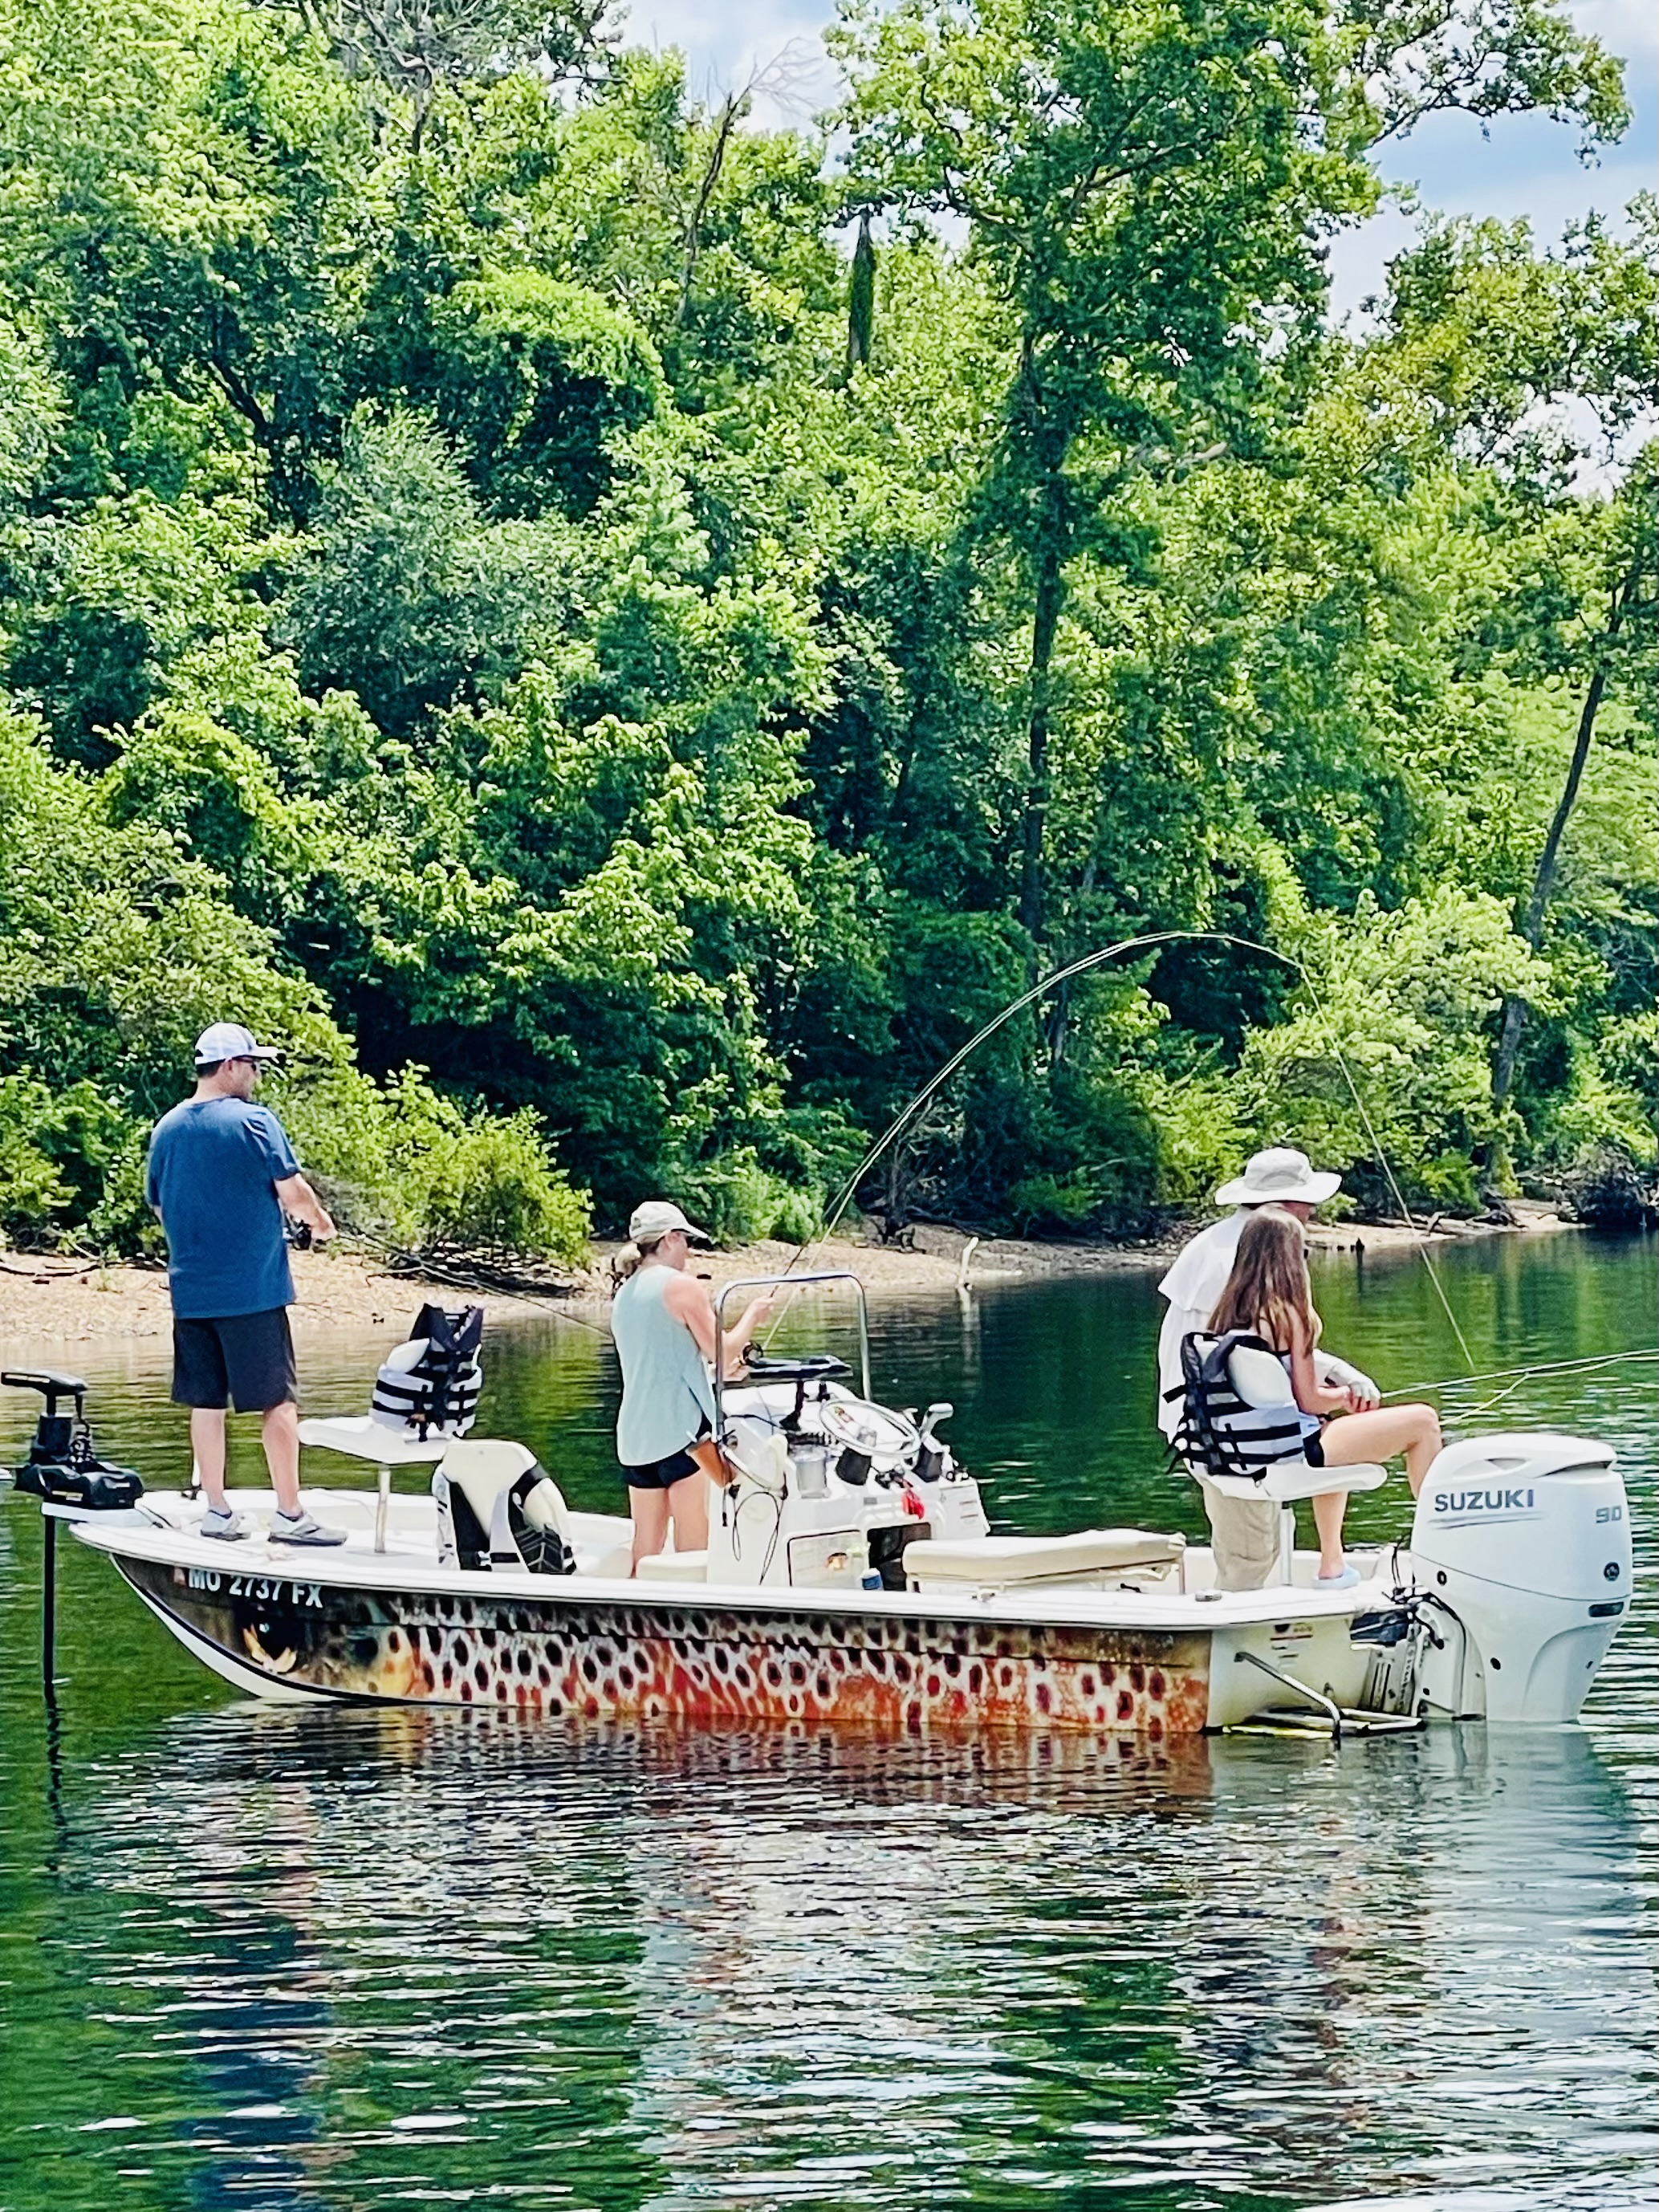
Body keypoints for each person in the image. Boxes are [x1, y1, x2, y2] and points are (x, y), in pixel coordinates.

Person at [144, 1023, 343, 1545]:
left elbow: (161, 1205)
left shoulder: (165, 1129)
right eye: (252, 1064)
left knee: (205, 1402)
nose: (256, 1074)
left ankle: (216, 1511)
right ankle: (290, 1515)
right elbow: (293, 1192)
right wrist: (321, 1225)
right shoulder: (255, 1122)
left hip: (192, 1293)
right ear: (229, 1065)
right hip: (252, 1293)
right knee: (277, 1401)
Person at [1157, 1147, 1380, 1592]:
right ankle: (1234, 1643)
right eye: (1306, 1201)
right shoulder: (1246, 1256)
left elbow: (1257, 1349)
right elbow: (1254, 1352)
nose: (1313, 1211)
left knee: (1253, 1539)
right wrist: (1343, 1381)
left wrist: (1336, 1374)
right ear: (1283, 1205)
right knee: (1250, 1551)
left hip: (1209, 1423)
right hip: (1227, 1428)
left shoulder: (1221, 1244)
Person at [1208, 1206, 1443, 1586]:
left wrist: (1333, 1405)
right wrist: (1344, 1396)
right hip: (1296, 1450)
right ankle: (1441, 1540)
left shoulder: (1227, 1313)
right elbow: (1309, 1401)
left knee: (1337, 1437)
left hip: (1252, 1452)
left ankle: (1332, 1564)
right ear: (1289, 1256)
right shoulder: (1290, 1315)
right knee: (1424, 1421)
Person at [611, 1200, 774, 1573]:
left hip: (636, 1439)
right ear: (669, 1239)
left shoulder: (624, 1294)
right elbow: (725, 1349)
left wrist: (713, 1374)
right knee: (692, 1546)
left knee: (645, 1549)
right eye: (685, 1239)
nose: (688, 1249)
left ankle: (635, 1623)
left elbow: (662, 1362)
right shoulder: (682, 1286)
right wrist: (753, 1315)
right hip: (684, 1437)